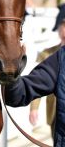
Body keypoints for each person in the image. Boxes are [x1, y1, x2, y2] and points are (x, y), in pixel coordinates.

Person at [4, 13, 65, 146]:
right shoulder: (57, 58)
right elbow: (20, 93)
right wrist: (11, 72)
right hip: (56, 115)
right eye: (63, 25)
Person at [29, 9, 65, 140]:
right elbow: (38, 83)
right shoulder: (48, 54)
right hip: (56, 114)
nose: (64, 30)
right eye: (62, 26)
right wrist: (34, 109)